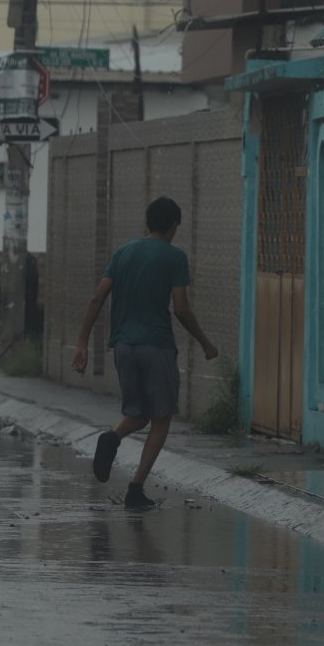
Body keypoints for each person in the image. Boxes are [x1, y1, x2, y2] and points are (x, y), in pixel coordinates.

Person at [71, 196, 218, 510]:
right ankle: (136, 488)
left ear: (148, 222)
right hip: (157, 346)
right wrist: (205, 342)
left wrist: (82, 342)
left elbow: (97, 298)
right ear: (173, 226)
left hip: (124, 347)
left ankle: (111, 438)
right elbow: (181, 309)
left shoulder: (123, 252)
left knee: (138, 413)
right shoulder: (174, 257)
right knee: (161, 418)